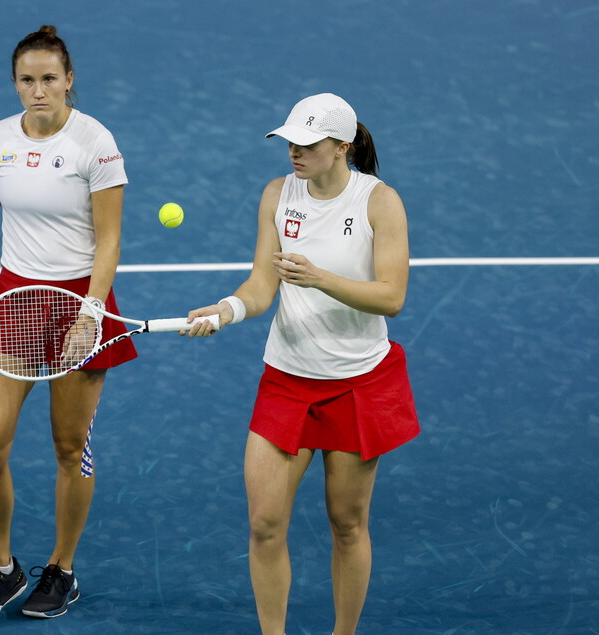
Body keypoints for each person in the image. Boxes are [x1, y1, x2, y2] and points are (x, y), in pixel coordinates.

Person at [185, 93, 420, 635]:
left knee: (347, 523)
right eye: (290, 140)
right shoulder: (277, 194)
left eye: (307, 144)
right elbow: (262, 286)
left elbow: (392, 297)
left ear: (340, 147)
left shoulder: (379, 203)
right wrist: (226, 311)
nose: (294, 151)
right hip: (287, 380)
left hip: (359, 382)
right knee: (265, 525)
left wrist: (320, 278)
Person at [0, 25, 136, 629]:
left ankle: (62, 568)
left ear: (69, 78)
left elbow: (110, 239)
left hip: (81, 300)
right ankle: (3, 570)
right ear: (15, 83)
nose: (38, 90)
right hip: (15, 302)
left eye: (49, 78)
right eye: (27, 80)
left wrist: (93, 311)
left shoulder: (95, 144)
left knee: (68, 447)